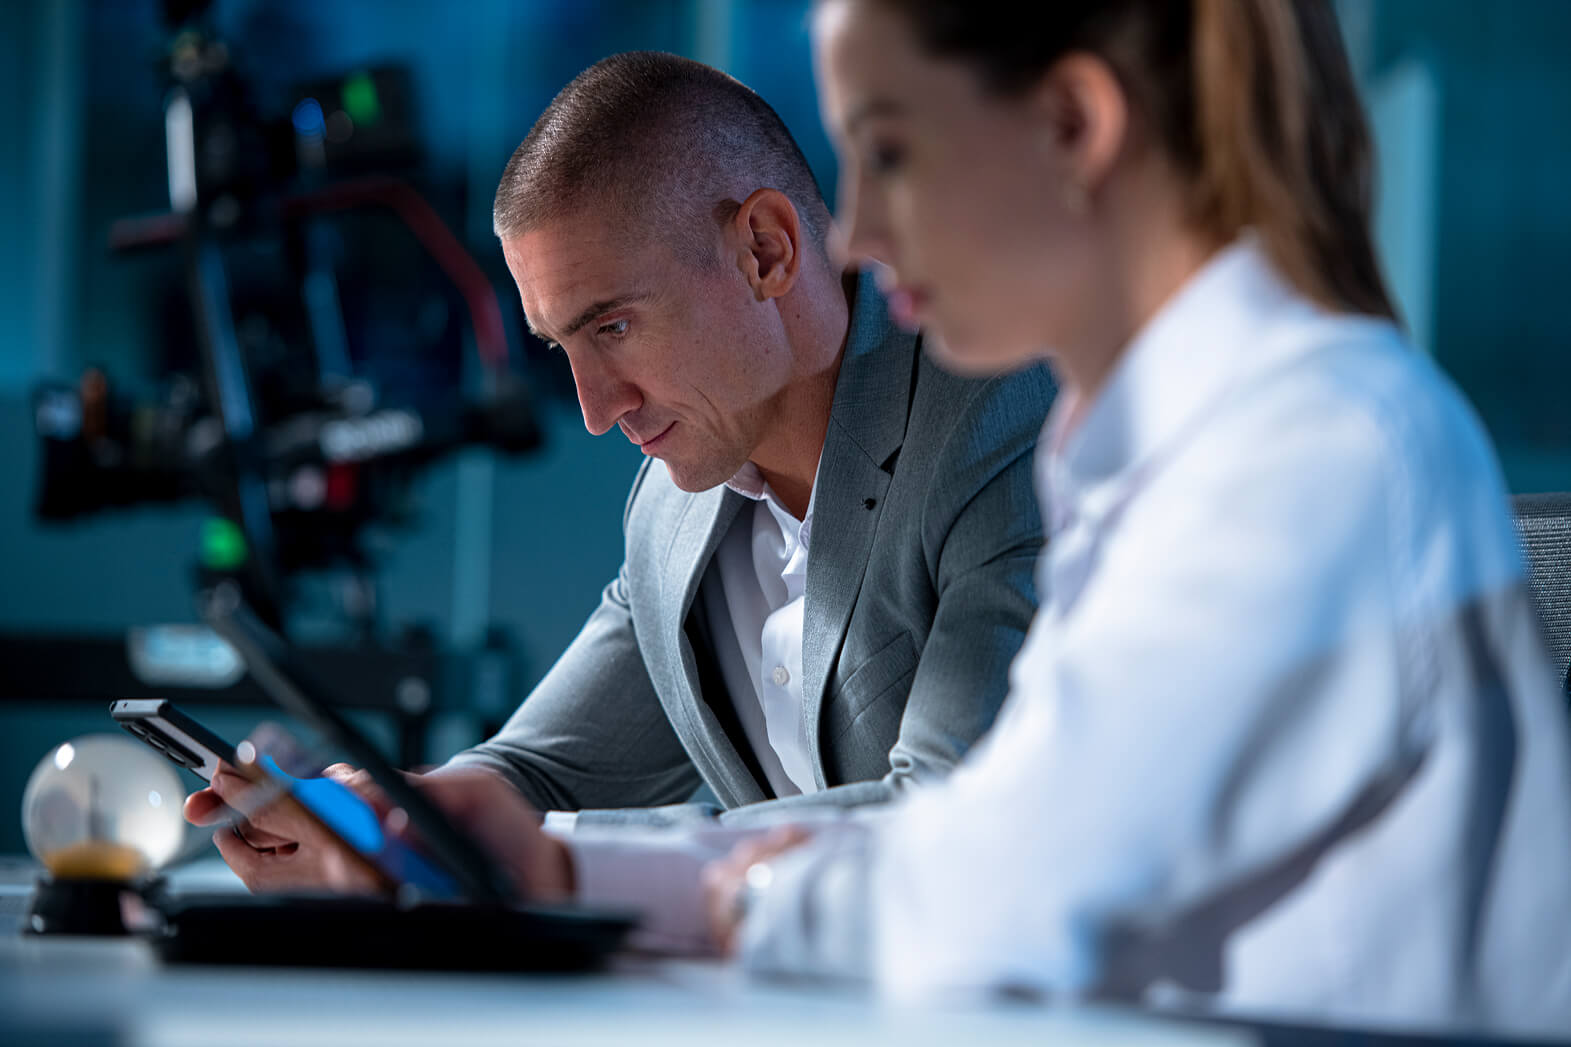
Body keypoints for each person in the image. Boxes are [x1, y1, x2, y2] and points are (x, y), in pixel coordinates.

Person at [697, 0, 1571, 1034]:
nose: (854, 232)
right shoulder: (1140, 453)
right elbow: (1005, 829)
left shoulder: (1308, 447)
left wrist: (757, 902)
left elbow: (1011, 898)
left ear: (1071, 124)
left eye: (886, 151)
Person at [184, 52, 1054, 891]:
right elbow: (535, 775)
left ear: (765, 249)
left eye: (612, 328)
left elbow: (951, 814)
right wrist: (393, 817)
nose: (597, 410)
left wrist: (569, 859)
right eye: (560, 345)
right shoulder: (669, 511)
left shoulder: (998, 424)